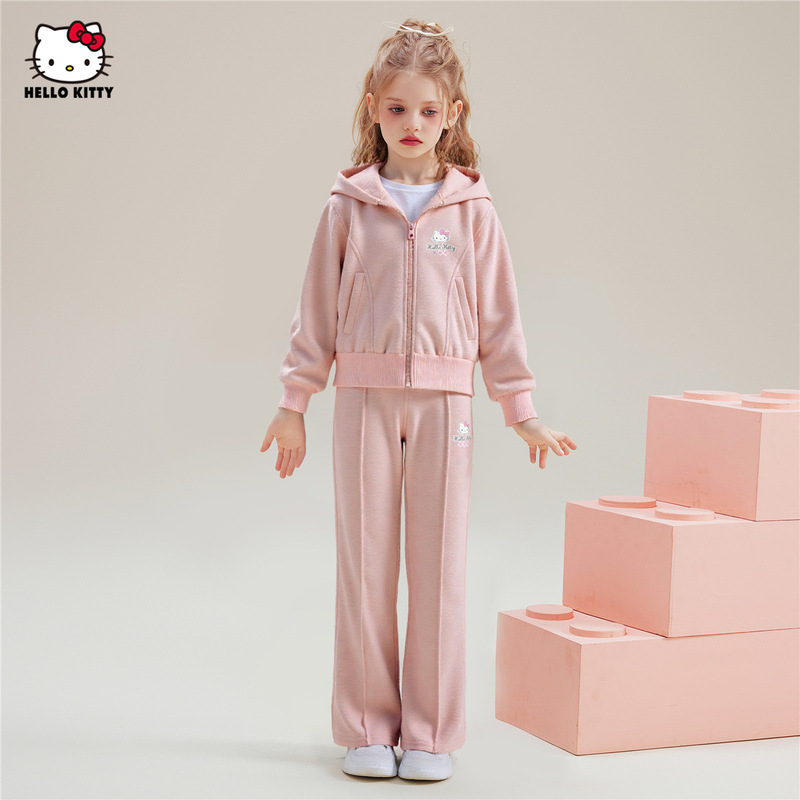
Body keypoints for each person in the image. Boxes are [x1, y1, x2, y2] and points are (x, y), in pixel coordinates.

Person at [260, 18, 577, 781]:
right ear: (374, 108)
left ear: (452, 114)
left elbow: (499, 317)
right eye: (398, 108)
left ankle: (431, 734)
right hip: (363, 404)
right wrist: (295, 401)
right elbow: (316, 309)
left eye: (428, 111)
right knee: (365, 567)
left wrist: (522, 409)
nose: (412, 123)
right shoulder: (347, 206)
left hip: (446, 409)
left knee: (439, 571)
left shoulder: (473, 210)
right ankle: (368, 727)